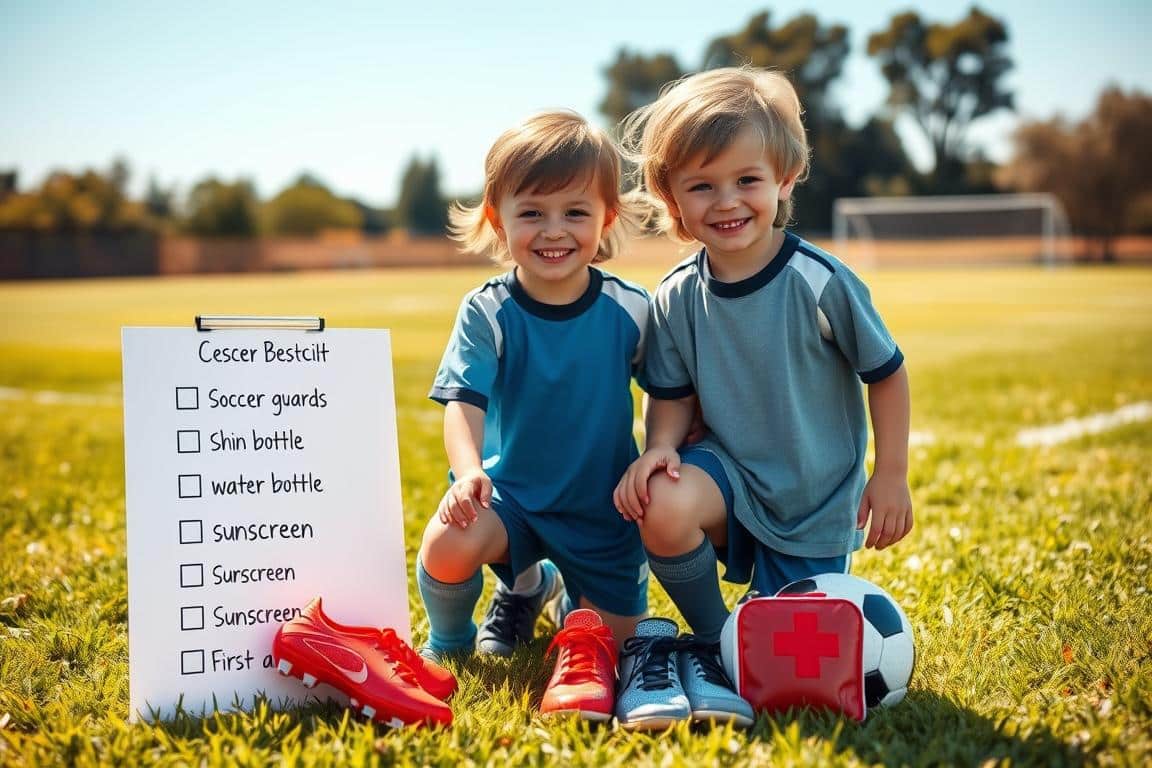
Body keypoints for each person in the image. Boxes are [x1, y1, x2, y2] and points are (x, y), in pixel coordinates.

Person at [613, 67, 913, 722]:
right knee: (660, 500)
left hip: (809, 500)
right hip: (727, 480)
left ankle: (749, 633)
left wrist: (890, 476)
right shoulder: (674, 296)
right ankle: (714, 637)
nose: (726, 201)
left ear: (783, 179)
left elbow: (886, 374)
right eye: (702, 185)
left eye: (747, 181)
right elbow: (669, 392)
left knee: (787, 666)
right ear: (674, 199)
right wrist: (660, 447)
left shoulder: (819, 282)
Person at [417, 110, 650, 721]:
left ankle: (545, 587)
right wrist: (468, 472)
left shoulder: (633, 309)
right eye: (532, 213)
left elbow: (674, 392)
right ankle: (455, 635)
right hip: (513, 496)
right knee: (448, 540)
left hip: (605, 510)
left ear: (607, 219)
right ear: (498, 218)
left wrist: (660, 452)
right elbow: (463, 401)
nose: (554, 231)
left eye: (575, 212)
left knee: (615, 646)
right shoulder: (487, 310)